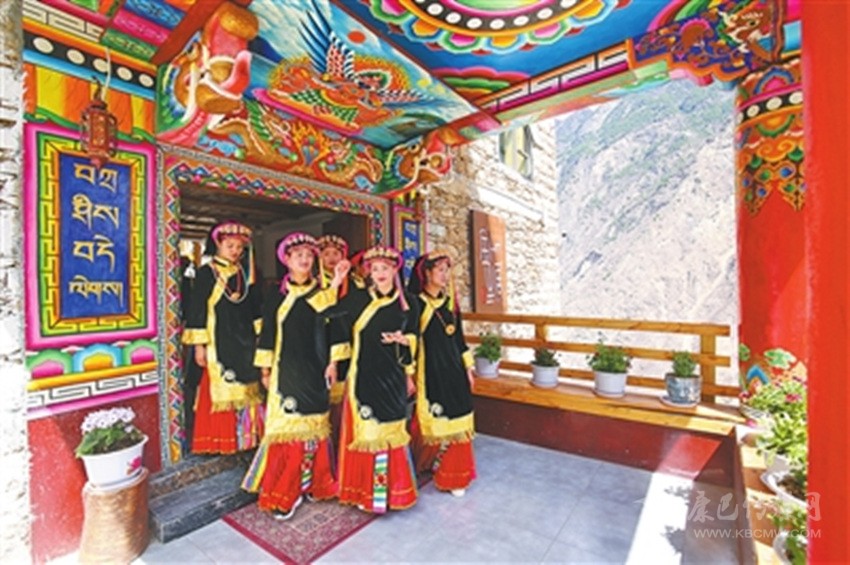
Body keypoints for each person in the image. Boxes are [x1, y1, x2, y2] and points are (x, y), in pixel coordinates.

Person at [242, 232, 350, 520]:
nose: (304, 259)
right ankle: (286, 492)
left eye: (309, 255)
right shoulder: (276, 296)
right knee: (287, 430)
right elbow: (267, 333)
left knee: (315, 429)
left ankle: (314, 484)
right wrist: (265, 370)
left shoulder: (322, 292)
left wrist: (334, 363)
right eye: (298, 255)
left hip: (316, 370)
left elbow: (335, 330)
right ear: (287, 260)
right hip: (286, 371)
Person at [328, 245, 420, 513]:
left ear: (395, 270)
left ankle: (393, 493)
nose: (380, 273)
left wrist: (405, 343)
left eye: (385, 268)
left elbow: (415, 336)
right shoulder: (357, 300)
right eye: (375, 268)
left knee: (391, 431)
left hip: (393, 375)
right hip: (364, 375)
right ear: (368, 272)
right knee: (368, 432)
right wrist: (336, 281)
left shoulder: (409, 303)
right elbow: (331, 318)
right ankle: (369, 494)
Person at [181, 221, 264, 454]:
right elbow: (197, 310)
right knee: (221, 386)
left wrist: (259, 337)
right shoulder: (206, 273)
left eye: (239, 247)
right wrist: (200, 346)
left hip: (244, 340)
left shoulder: (246, 273)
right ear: (218, 245)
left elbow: (254, 307)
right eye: (230, 246)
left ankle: (246, 439)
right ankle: (219, 440)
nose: (235, 251)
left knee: (247, 385)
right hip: (218, 341)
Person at [407, 251, 477, 496]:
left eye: (447, 270)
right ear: (426, 273)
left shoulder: (450, 303)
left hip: (454, 370)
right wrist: (408, 373)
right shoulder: (416, 304)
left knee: (459, 417)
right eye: (440, 270)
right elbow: (410, 341)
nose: (445, 275)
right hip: (431, 371)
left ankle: (454, 475)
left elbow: (459, 338)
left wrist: (468, 368)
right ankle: (428, 462)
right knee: (433, 418)